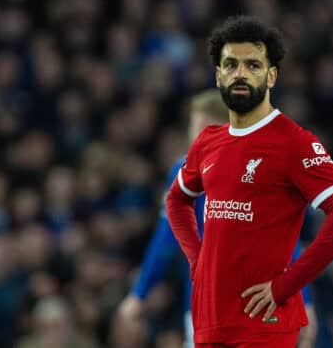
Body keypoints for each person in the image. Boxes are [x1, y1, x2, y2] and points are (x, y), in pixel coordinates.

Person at [166, 16, 333, 347]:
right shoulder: (208, 141)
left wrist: (286, 285)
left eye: (252, 65)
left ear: (272, 75)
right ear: (218, 76)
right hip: (211, 320)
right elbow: (176, 200)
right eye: (230, 65)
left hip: (263, 325)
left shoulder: (293, 142)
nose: (240, 74)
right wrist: (197, 260)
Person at [117, 90, 317, 347]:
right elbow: (165, 238)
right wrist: (139, 293)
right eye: (194, 126)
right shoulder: (183, 172)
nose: (196, 136)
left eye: (204, 127)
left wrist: (306, 302)